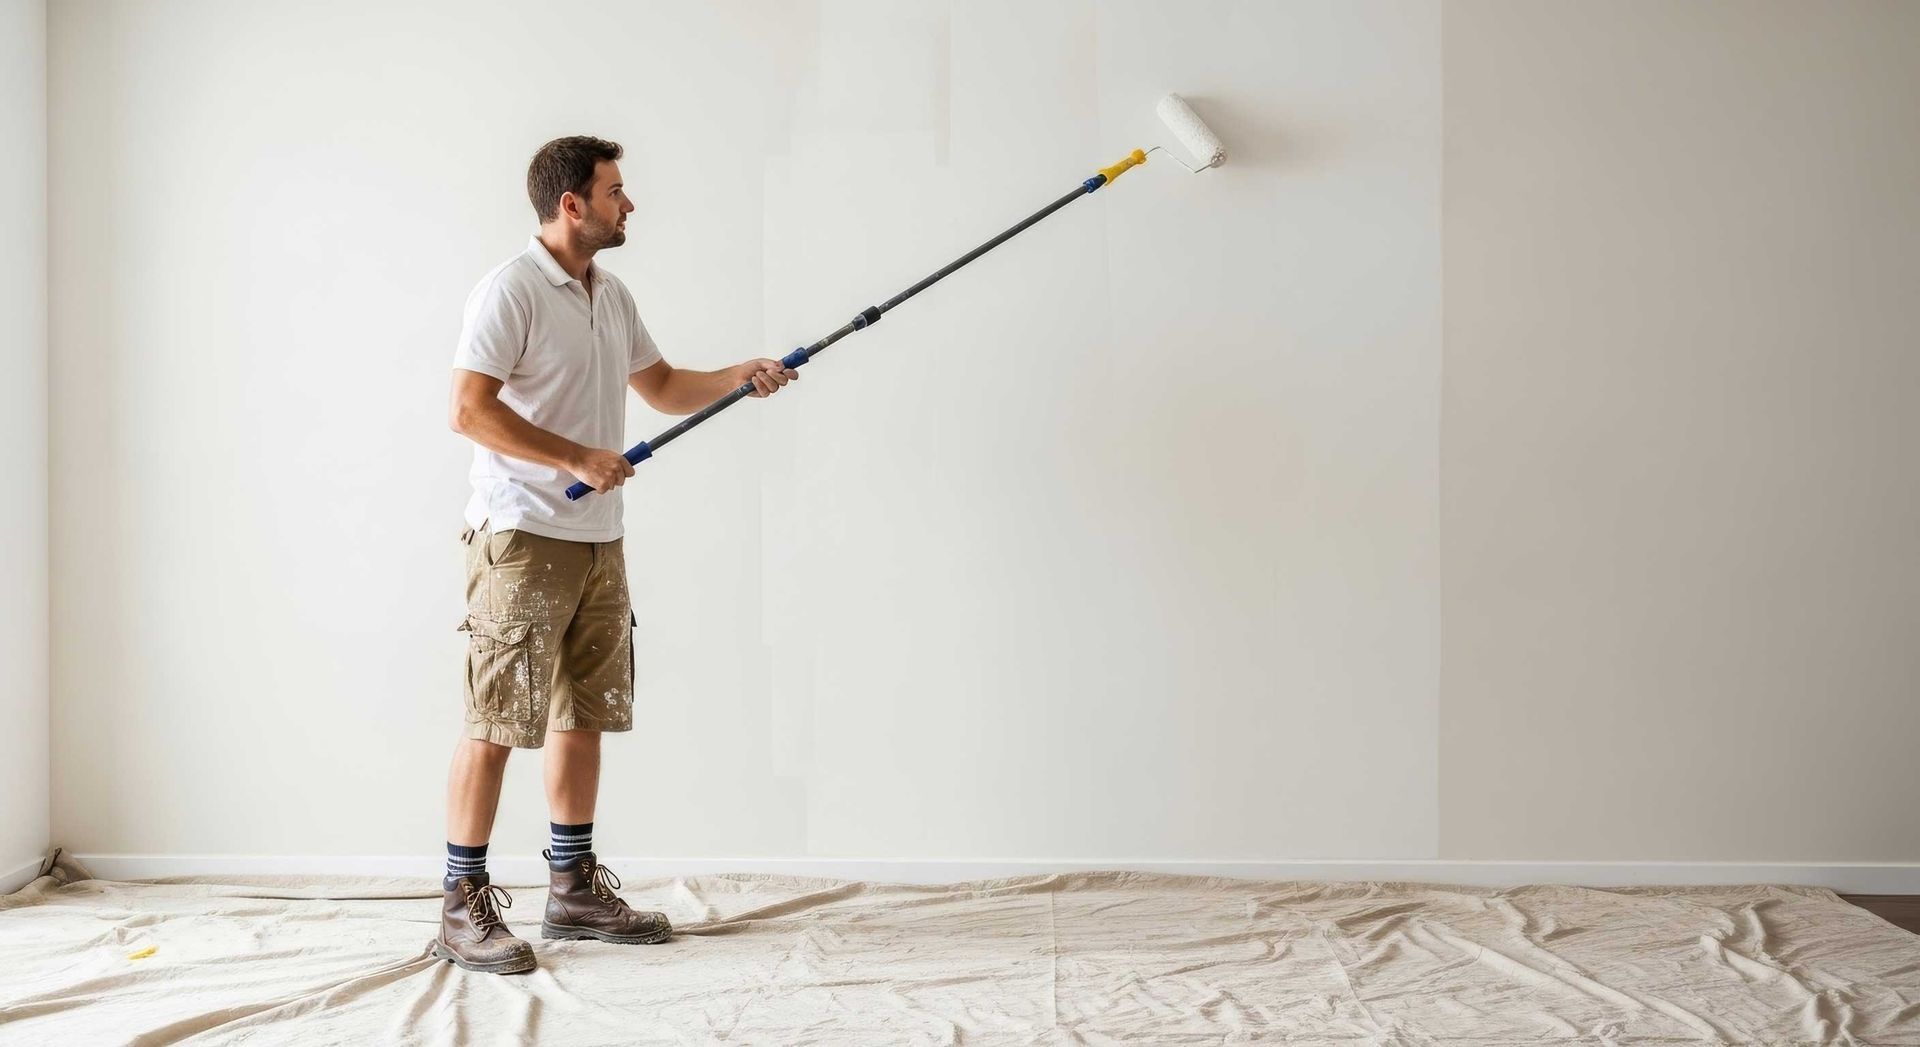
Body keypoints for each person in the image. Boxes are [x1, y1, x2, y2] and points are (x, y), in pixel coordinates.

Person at [432, 135, 796, 974]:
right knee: (496, 722)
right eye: (615, 191)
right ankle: (460, 905)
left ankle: (573, 889)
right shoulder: (512, 289)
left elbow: (662, 387)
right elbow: (467, 410)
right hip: (521, 536)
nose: (628, 204)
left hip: (599, 539)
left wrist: (741, 374)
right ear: (572, 204)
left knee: (583, 714)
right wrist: (574, 457)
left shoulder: (610, 293)